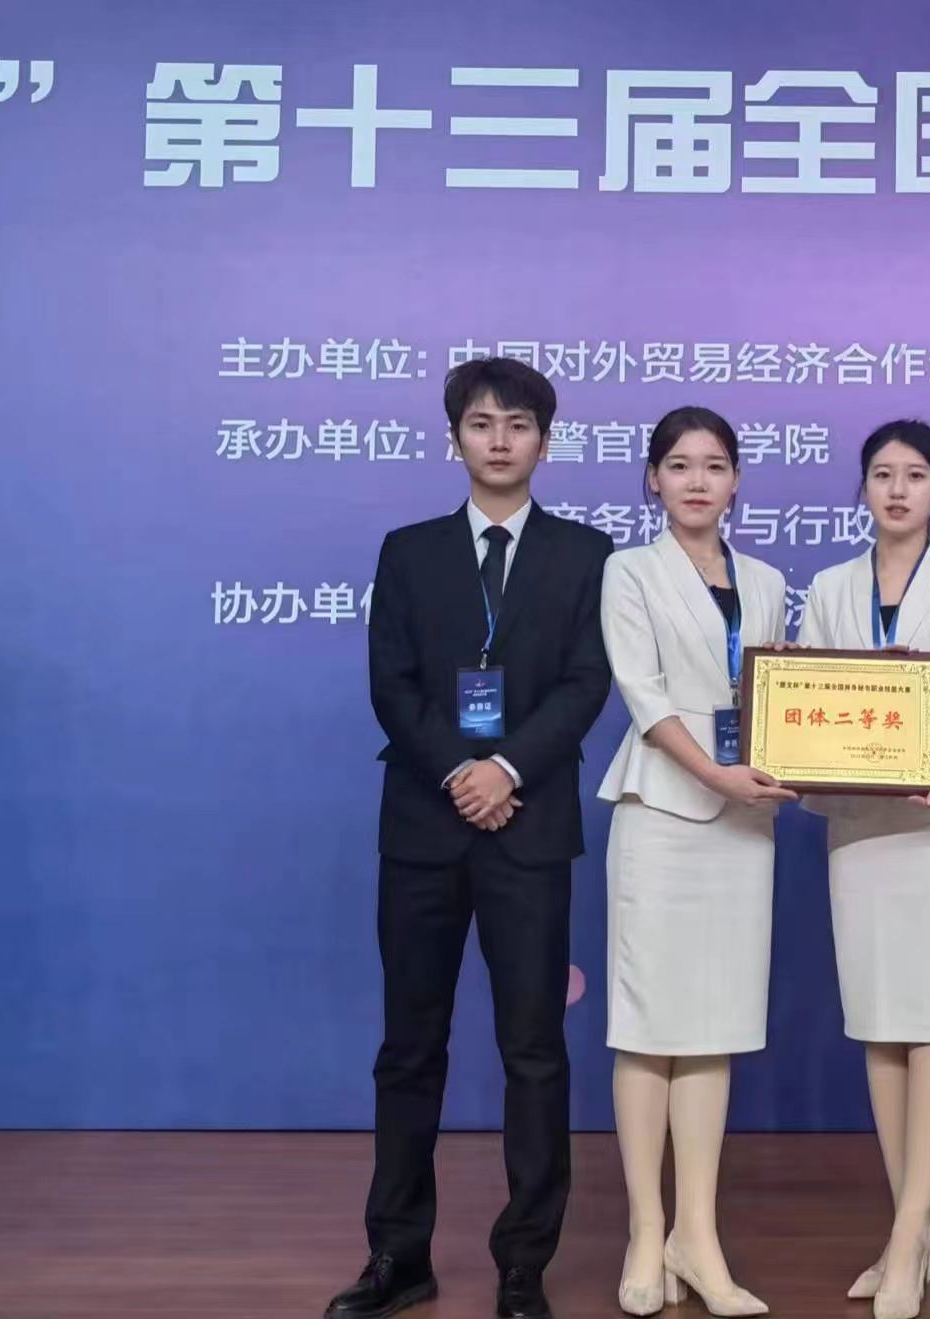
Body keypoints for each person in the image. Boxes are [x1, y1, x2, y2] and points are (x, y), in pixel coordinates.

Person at [324, 357, 613, 1319]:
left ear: (545, 441)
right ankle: (396, 1253)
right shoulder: (408, 552)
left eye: (518, 424)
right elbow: (392, 682)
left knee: (534, 1050)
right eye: (482, 423)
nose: (499, 439)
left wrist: (508, 770)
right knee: (410, 1047)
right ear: (455, 438)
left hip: (529, 828)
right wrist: (460, 769)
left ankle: (524, 1261)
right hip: (424, 826)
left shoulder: (586, 554)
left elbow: (586, 683)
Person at [797, 420, 930, 1319]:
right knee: (881, 1021)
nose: (896, 489)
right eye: (881, 474)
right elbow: (805, 695)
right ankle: (911, 1231)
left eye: (915, 475)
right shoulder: (828, 586)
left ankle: (907, 1233)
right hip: (858, 823)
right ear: (863, 489)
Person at [596, 407, 796, 1318]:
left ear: (737, 480)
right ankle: (646, 1231)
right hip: (663, 810)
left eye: (715, 465)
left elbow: (777, 694)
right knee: (649, 1025)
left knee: (713, 1026)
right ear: (652, 478)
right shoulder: (628, 570)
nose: (697, 481)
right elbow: (644, 695)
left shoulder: (769, 581)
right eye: (678, 465)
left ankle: (698, 1236)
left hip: (743, 820)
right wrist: (716, 771)